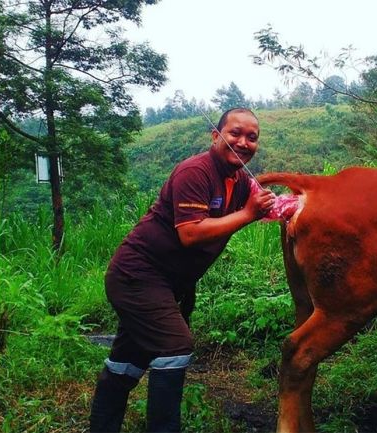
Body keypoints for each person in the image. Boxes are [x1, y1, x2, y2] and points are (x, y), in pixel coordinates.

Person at [89, 107, 275, 432]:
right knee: (175, 345)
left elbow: (266, 204)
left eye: (252, 137)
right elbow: (190, 233)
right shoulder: (195, 171)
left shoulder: (241, 182)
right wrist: (248, 214)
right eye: (234, 133)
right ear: (216, 136)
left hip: (167, 284)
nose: (243, 142)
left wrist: (286, 206)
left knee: (127, 362)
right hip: (137, 275)